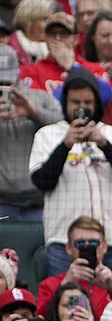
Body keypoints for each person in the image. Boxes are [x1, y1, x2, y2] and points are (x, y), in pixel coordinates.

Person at [28, 66, 112, 276]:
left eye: (87, 103)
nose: (82, 108)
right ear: (65, 104)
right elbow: (42, 182)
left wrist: (104, 144)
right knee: (68, 303)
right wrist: (65, 145)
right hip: (65, 245)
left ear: (97, 104)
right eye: (76, 103)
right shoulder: (48, 135)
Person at [0, 45, 62, 223]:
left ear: (17, 74)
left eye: (7, 82)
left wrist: (34, 113)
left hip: (40, 203)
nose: (4, 87)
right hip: (2, 203)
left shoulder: (40, 98)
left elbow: (64, 126)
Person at [34, 216, 112, 319]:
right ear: (68, 248)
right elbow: (41, 318)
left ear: (104, 246)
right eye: (80, 243)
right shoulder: (49, 285)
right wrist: (64, 287)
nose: (88, 247)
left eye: (94, 243)